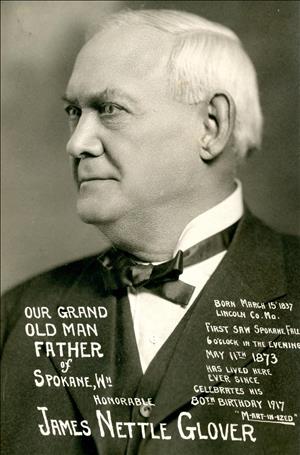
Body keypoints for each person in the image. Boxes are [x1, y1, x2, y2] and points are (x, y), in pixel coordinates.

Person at [1, 8, 299, 455]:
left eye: (110, 109)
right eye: (73, 111)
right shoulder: (16, 316)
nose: (76, 143)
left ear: (211, 126)